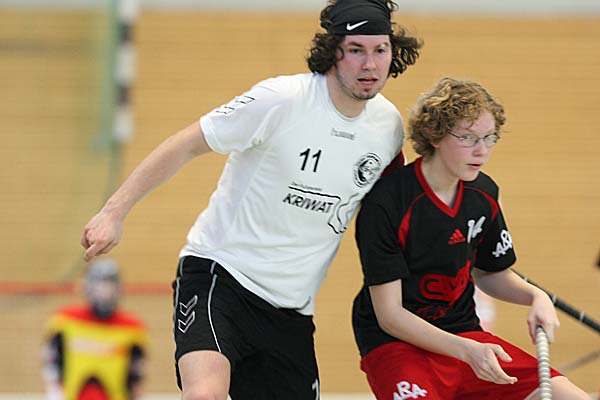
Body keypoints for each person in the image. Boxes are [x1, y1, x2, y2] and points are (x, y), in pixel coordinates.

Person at [80, 0, 422, 398]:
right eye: (356, 50)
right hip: (220, 276)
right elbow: (186, 144)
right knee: (204, 394)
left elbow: (392, 212)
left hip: (291, 309)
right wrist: (114, 212)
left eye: (380, 50)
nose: (370, 64)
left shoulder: (387, 127)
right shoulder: (282, 100)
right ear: (334, 51)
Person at [351, 77, 591, 400]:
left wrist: (536, 297)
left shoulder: (483, 194)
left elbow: (491, 273)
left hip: (465, 334)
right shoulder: (388, 202)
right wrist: (467, 350)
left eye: (490, 138)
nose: (482, 150)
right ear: (434, 134)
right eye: (468, 138)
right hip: (397, 345)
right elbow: (390, 316)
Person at [42, 259, 147, 400]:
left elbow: (136, 373)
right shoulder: (66, 320)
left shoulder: (131, 327)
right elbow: (52, 362)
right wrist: (54, 392)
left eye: (110, 285)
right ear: (89, 287)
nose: (106, 292)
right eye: (101, 285)